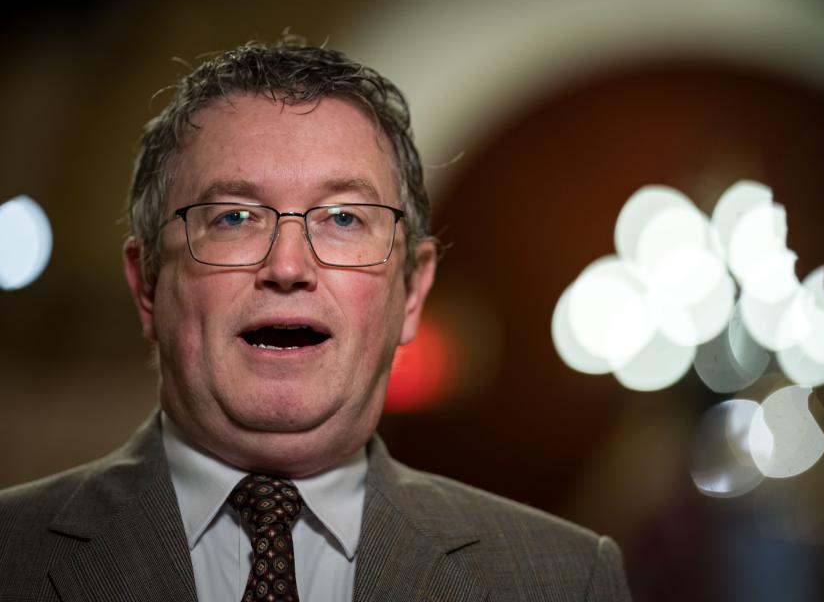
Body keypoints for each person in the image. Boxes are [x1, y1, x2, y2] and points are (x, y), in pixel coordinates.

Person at [0, 37, 632, 601]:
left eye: (344, 219)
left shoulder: (564, 581)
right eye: (234, 218)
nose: (288, 265)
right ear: (147, 287)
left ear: (411, 291)